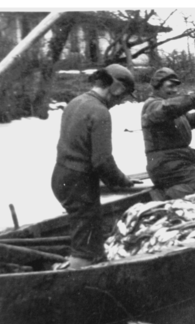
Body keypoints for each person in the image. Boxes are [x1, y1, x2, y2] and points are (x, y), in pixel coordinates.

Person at [51, 64, 139, 269]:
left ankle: (94, 262)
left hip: (61, 175)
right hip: (79, 181)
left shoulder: (75, 102)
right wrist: (121, 181)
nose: (119, 102)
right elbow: (102, 161)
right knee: (85, 243)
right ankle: (79, 280)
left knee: (87, 230)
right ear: (116, 88)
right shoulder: (100, 112)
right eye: (122, 97)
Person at [141, 67, 195, 201]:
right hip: (165, 164)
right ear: (157, 87)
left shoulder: (170, 108)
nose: (175, 90)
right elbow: (168, 109)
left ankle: (168, 191)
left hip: (176, 162)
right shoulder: (153, 106)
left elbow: (189, 121)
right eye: (170, 86)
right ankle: (163, 197)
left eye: (176, 87)